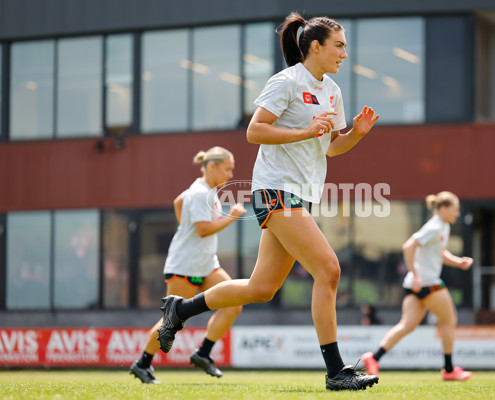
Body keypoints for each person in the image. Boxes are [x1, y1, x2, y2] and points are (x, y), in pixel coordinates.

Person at [156, 12, 380, 391]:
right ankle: (336, 371)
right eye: (339, 45)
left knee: (262, 288)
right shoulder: (287, 80)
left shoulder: (333, 92)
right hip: (276, 190)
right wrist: (305, 129)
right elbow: (254, 131)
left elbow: (330, 148)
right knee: (329, 270)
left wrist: (355, 134)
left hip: (301, 196)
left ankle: (180, 309)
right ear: (315, 46)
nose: (344, 53)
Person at [130, 146, 246, 384]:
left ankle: (203, 353)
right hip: (184, 265)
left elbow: (177, 202)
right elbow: (203, 230)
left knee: (235, 303)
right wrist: (231, 215)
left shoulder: (205, 191)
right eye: (227, 169)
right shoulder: (199, 193)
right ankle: (142, 364)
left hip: (206, 263)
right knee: (172, 320)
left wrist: (184, 227)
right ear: (211, 167)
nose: (231, 175)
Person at [361, 191, 474, 381]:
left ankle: (374, 357)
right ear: (443, 208)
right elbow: (408, 246)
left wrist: (459, 262)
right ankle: (448, 370)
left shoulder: (443, 226)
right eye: (455, 210)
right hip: (427, 283)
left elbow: (440, 253)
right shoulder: (435, 226)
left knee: (407, 325)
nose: (458, 214)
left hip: (418, 284)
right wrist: (415, 274)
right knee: (449, 320)